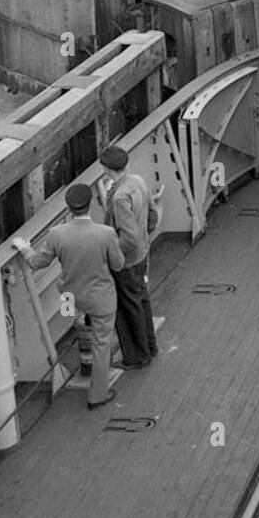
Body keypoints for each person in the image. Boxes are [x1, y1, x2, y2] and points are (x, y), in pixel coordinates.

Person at [12, 184, 124, 409]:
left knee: (76, 319)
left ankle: (78, 339)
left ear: (69, 207)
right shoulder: (106, 234)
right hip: (100, 299)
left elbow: (37, 262)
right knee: (101, 344)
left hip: (69, 298)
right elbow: (119, 265)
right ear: (90, 204)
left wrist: (24, 248)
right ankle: (98, 395)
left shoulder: (56, 234)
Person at [98, 146, 158, 370]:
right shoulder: (138, 181)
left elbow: (129, 238)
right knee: (142, 300)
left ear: (106, 169)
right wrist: (146, 237)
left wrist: (113, 255)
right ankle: (150, 346)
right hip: (141, 255)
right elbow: (152, 215)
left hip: (127, 262)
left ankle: (137, 356)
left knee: (127, 308)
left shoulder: (120, 197)